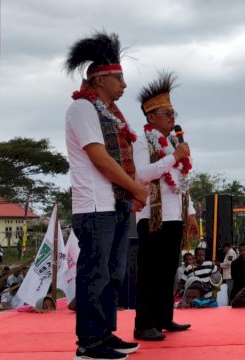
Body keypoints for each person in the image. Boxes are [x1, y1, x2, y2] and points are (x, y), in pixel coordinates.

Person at [64, 32, 146, 360]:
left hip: (112, 204)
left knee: (112, 275)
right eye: (119, 78)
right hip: (94, 205)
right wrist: (135, 186)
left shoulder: (109, 112)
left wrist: (132, 189)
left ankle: (105, 333)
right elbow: (100, 157)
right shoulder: (83, 109)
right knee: (95, 274)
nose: (124, 85)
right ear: (100, 80)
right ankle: (89, 343)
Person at [133, 72, 194, 341]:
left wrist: (190, 212)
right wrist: (173, 158)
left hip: (174, 216)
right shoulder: (140, 141)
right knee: (150, 273)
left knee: (169, 270)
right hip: (152, 217)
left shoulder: (172, 143)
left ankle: (164, 318)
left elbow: (182, 180)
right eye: (166, 112)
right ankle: (143, 323)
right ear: (151, 117)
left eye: (173, 112)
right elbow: (141, 175)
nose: (172, 117)